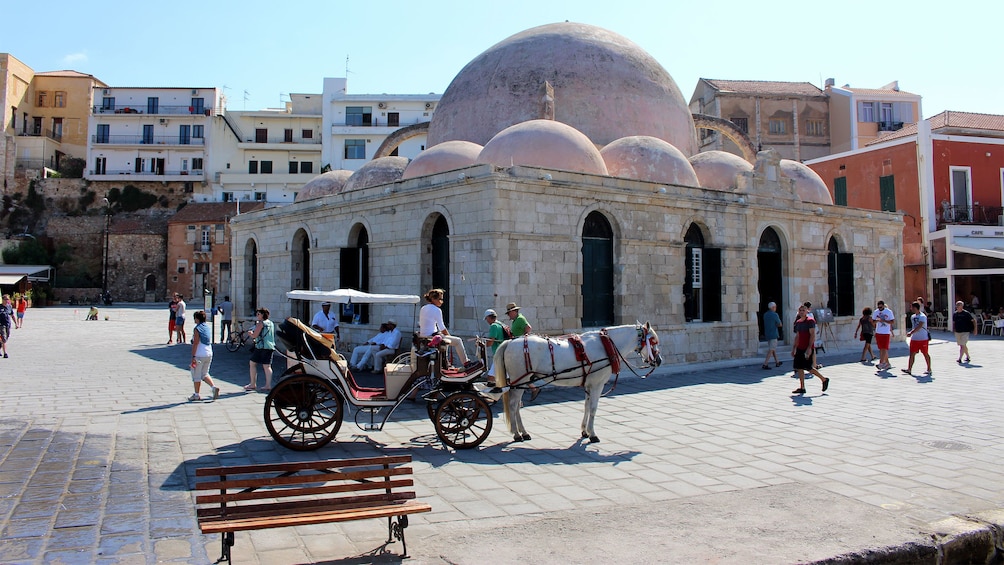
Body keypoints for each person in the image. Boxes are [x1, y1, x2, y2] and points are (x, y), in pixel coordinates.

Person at [419, 288, 471, 367]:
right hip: (432, 336)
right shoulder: (437, 310)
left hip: (424, 336)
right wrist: (449, 336)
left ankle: (445, 362)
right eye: (440, 299)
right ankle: (466, 362)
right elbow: (442, 327)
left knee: (444, 339)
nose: (441, 301)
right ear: (434, 299)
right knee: (458, 341)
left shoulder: (423, 308)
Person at [791, 304, 829, 395]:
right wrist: (794, 348)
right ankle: (802, 387)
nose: (801, 312)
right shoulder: (798, 322)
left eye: (803, 310)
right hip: (800, 347)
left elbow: (812, 335)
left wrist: (809, 348)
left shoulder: (810, 321)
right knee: (799, 367)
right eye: (800, 310)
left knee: (808, 368)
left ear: (806, 311)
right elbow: (798, 336)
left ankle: (824, 379)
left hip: (807, 347)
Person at [188, 310, 221, 402]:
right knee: (204, 373)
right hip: (209, 352)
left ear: (197, 319)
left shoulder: (197, 328)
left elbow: (195, 343)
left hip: (200, 353)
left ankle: (196, 394)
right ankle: (213, 387)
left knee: (196, 374)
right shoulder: (207, 327)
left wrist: (193, 356)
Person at [244, 307, 275, 392]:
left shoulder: (260, 324)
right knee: (267, 366)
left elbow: (255, 335)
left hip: (261, 347)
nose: (257, 315)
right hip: (269, 346)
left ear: (262, 315)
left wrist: (250, 334)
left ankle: (253, 384)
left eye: (258, 314)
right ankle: (268, 385)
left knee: (252, 363)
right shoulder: (271, 323)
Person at [903, 301, 932, 376]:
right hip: (914, 339)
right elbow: (914, 326)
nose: (910, 308)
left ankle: (929, 369)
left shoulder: (922, 316)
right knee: (912, 353)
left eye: (911, 307)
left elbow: (919, 326)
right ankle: (909, 369)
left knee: (925, 353)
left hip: (923, 338)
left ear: (915, 308)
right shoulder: (913, 316)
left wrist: (910, 333)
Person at [872, 300, 895, 371]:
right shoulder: (876, 312)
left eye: (881, 307)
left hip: (885, 332)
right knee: (881, 348)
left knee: (884, 348)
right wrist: (877, 320)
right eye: (878, 307)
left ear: (883, 306)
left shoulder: (889, 312)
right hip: (879, 332)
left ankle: (881, 362)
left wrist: (884, 321)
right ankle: (887, 363)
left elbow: (892, 322)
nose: (880, 309)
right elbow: (873, 322)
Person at [761, 302, 782, 369]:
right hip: (773, 333)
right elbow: (780, 324)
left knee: (773, 348)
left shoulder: (765, 314)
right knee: (771, 349)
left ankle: (777, 362)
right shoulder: (775, 315)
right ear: (773, 307)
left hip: (767, 333)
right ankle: (765, 363)